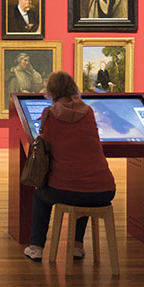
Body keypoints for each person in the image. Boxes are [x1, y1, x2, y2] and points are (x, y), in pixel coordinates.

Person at [23, 71, 116, 262]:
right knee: (84, 188)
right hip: (104, 189)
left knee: (41, 194)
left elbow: (45, 144)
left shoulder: (50, 114)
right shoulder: (88, 111)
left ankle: (36, 247)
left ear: (51, 91)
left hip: (66, 190)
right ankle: (77, 245)